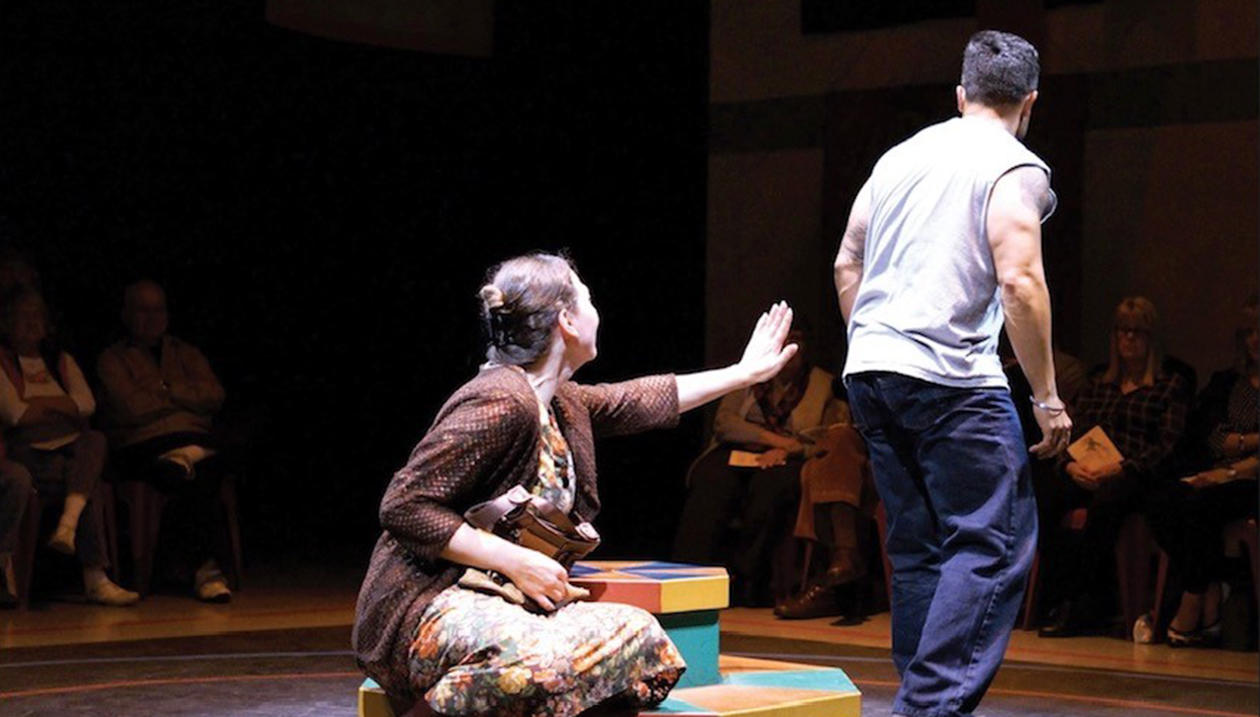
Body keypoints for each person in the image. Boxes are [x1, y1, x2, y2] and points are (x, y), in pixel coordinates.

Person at [353, 252, 798, 715]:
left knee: (642, 640)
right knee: (534, 661)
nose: (595, 310)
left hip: (505, 604)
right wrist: (516, 561)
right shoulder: (500, 401)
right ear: (566, 318)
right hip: (429, 607)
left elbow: (638, 400)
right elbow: (404, 505)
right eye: (586, 297)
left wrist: (742, 374)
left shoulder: (560, 401)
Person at [833, 31, 1070, 717]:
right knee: (993, 542)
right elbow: (1021, 279)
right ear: (1029, 103)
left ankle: (920, 693)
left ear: (961, 95)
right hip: (952, 381)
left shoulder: (899, 158)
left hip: (873, 370)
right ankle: (928, 708)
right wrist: (1048, 398)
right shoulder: (1015, 164)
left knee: (919, 547)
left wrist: (873, 341)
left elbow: (848, 260)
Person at [1036, 297, 1189, 637]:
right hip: (1088, 468)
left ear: (1150, 338)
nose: (1128, 339)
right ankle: (1050, 597)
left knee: (1107, 504)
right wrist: (1068, 467)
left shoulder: (1168, 385)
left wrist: (1120, 469)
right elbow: (1072, 430)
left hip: (1134, 475)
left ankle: (1084, 603)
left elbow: (1166, 447)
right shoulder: (1099, 383)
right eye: (1122, 331)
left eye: (1137, 332)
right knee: (1047, 496)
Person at [671, 330, 849, 607]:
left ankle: (746, 580)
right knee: (712, 480)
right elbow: (726, 423)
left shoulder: (821, 384)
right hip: (740, 449)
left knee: (769, 491)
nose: (789, 352)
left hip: (788, 458)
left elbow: (824, 436)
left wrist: (789, 449)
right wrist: (773, 440)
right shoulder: (752, 375)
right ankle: (686, 577)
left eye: (796, 344)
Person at [96, 279, 233, 602]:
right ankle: (206, 569)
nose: (152, 317)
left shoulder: (185, 353)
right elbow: (129, 406)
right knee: (200, 471)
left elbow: (214, 395)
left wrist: (165, 391)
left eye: (158, 309)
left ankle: (197, 566)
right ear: (126, 314)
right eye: (143, 310)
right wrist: (183, 400)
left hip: (190, 436)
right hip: (140, 445)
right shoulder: (112, 359)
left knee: (199, 472)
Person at [0, 289, 138, 606]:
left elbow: (87, 404)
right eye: (23, 315)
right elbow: (15, 414)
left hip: (71, 448)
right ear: (7, 323)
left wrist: (39, 406)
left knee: (96, 441)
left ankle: (68, 525)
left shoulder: (60, 361)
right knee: (85, 482)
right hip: (28, 453)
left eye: (37, 315)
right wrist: (62, 405)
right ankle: (95, 576)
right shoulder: (3, 362)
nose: (31, 322)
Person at [1146, 296, 1258, 646]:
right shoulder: (1227, 381)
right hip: (1218, 471)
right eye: (1249, 332)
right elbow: (1207, 433)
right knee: (1160, 499)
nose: (1255, 339)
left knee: (1200, 506)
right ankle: (1208, 589)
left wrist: (1235, 460)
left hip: (1250, 480)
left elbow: (1230, 444)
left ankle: (1193, 600)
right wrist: (1240, 446)